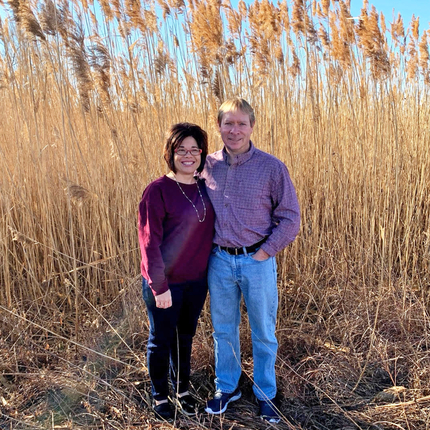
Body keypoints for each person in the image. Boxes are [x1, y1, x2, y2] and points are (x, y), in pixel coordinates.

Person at [202, 98, 300, 423]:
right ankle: (226, 387)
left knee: (262, 330)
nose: (234, 130)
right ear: (218, 126)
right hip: (219, 262)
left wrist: (264, 252)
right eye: (228, 123)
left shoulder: (272, 168)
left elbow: (290, 218)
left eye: (241, 123)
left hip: (257, 261)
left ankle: (265, 393)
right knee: (224, 329)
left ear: (252, 127)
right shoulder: (207, 166)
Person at [138, 123, 215, 421]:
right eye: (181, 149)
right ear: (170, 153)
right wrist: (160, 286)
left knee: (185, 337)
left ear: (202, 154)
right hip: (165, 284)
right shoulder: (157, 191)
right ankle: (160, 395)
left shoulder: (205, 187)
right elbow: (148, 243)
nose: (188, 155)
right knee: (161, 339)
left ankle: (182, 391)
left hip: (196, 282)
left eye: (194, 149)